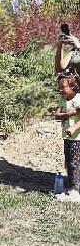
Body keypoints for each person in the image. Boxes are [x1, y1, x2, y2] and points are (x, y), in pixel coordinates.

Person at [54, 72, 80, 201]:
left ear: (73, 86)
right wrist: (69, 114)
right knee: (69, 163)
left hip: (77, 139)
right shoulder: (63, 99)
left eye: (63, 86)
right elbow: (57, 116)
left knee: (75, 164)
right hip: (67, 138)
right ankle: (72, 188)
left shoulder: (78, 99)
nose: (60, 89)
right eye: (59, 86)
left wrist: (74, 128)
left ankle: (75, 191)